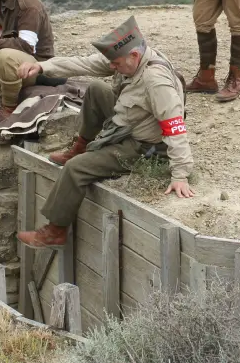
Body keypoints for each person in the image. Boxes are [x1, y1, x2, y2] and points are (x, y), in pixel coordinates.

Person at [15, 16, 194, 248]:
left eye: (116, 64)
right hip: (131, 118)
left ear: (134, 56)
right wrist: (42, 66)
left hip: (143, 145)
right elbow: (85, 63)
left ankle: (55, 231)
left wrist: (180, 174)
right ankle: (79, 146)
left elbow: (174, 125)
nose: (111, 67)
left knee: (75, 169)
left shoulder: (156, 82)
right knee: (96, 89)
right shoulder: (130, 58)